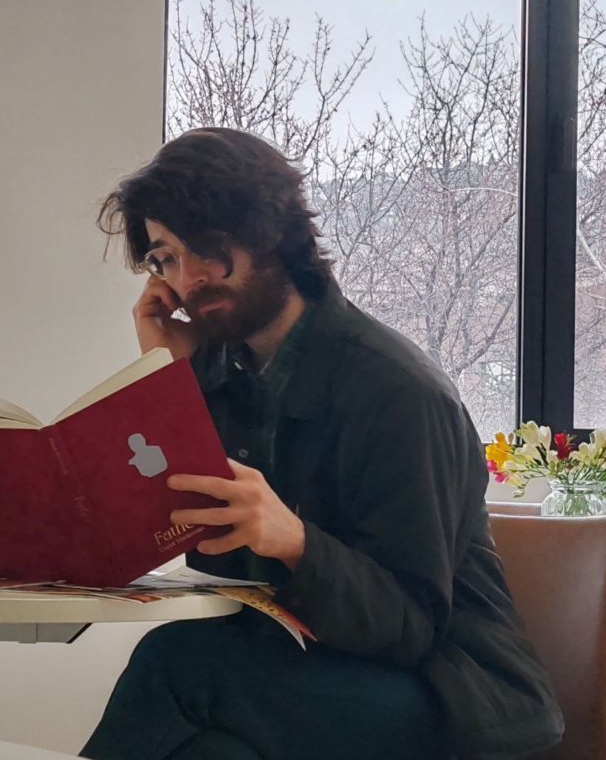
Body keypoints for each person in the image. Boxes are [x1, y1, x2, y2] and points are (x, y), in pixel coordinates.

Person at [80, 128, 562, 760]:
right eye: (166, 257)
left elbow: (412, 626)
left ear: (273, 233)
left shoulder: (397, 391)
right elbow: (215, 560)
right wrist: (172, 384)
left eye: (209, 247)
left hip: (451, 696)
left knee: (176, 661)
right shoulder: (224, 373)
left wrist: (295, 541)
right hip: (312, 670)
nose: (189, 277)